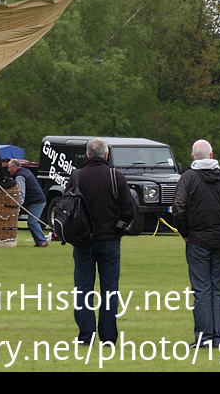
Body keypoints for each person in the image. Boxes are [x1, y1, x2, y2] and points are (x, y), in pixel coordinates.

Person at [173, 140, 220, 349]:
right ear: (211, 155)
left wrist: (185, 233)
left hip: (197, 240)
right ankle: (216, 336)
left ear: (193, 156)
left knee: (202, 289)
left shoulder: (188, 178)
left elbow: (178, 207)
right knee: (218, 288)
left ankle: (204, 337)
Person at [67, 138, 136, 346]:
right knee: (110, 290)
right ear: (106, 155)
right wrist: (118, 229)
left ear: (87, 155)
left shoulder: (77, 177)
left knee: (83, 289)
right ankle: (108, 337)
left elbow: (66, 207)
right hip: (109, 241)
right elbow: (129, 211)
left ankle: (86, 336)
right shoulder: (116, 177)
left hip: (83, 241)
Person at [6, 157, 48, 246]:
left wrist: (18, 205)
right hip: (37, 200)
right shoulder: (25, 171)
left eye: (9, 167)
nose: (8, 170)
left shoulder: (20, 176)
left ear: (14, 167)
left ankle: (41, 241)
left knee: (32, 221)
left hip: (36, 201)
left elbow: (21, 192)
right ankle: (40, 241)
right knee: (32, 222)